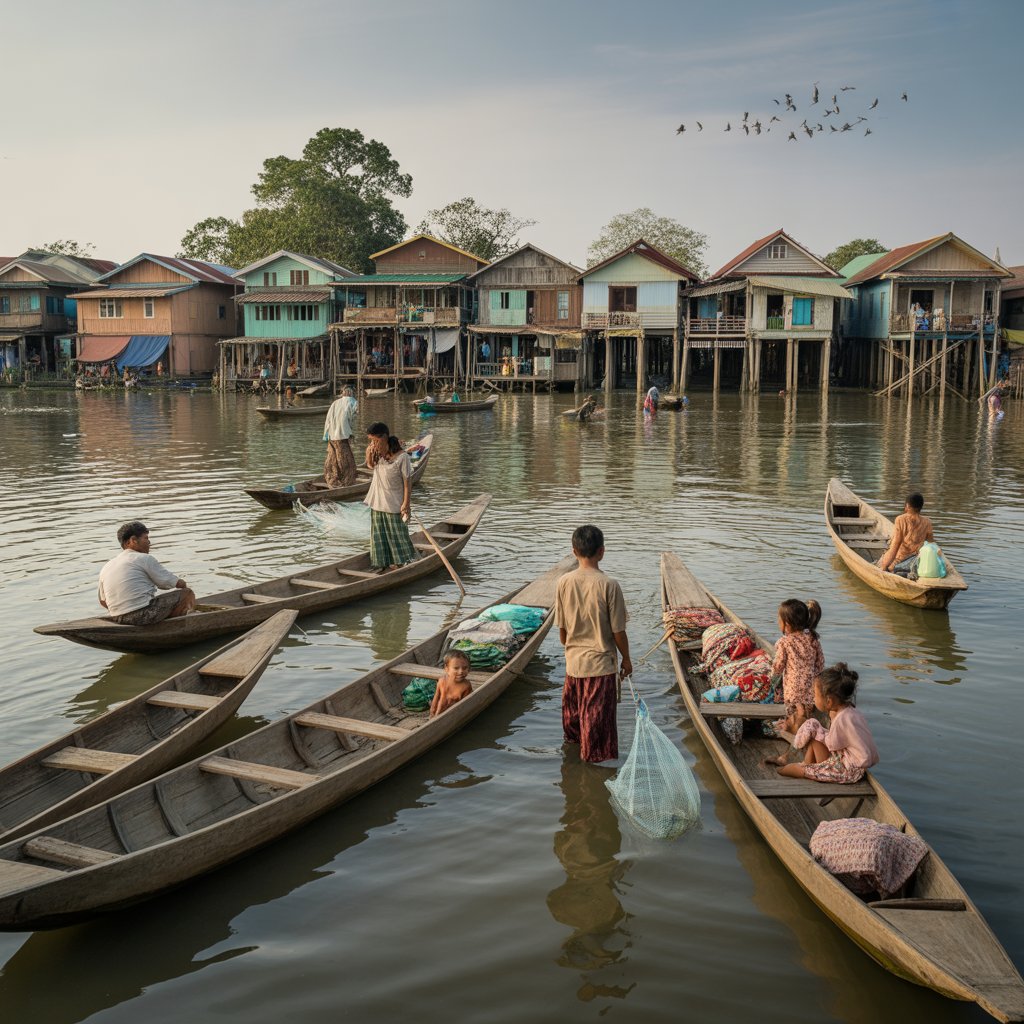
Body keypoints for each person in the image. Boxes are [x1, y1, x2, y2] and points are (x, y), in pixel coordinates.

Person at [555, 524, 632, 763]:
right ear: (602, 551)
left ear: (574, 551)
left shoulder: (563, 582)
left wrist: (573, 648)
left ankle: (573, 777)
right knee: (597, 735)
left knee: (575, 727)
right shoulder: (609, 585)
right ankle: (594, 783)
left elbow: (563, 632)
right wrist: (627, 660)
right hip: (599, 667)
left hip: (574, 665)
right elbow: (618, 631)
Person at [768, 663, 879, 784]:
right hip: (853, 764)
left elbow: (832, 745)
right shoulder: (852, 711)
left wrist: (820, 729)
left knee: (799, 768)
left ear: (829, 701)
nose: (813, 698)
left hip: (848, 770)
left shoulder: (841, 719)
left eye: (815, 695)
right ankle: (807, 764)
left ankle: (778, 772)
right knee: (815, 735)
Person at [97, 521, 195, 625]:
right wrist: (183, 584)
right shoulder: (144, 558)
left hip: (117, 619)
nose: (149, 542)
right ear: (133, 540)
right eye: (146, 538)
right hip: (142, 616)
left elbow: (103, 602)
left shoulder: (107, 566)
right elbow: (171, 583)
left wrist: (123, 610)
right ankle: (176, 625)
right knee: (186, 593)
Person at [364, 421, 416, 571]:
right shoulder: (377, 454)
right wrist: (369, 454)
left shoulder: (402, 457)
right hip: (378, 503)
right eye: (371, 440)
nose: (373, 443)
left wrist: (406, 504)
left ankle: (404, 563)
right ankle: (383, 565)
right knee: (380, 538)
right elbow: (371, 465)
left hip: (395, 504)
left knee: (398, 537)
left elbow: (407, 482)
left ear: (384, 437)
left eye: (375, 440)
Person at [771, 598, 824, 735]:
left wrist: (772, 676)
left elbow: (778, 666)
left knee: (794, 709)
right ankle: (803, 724)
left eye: (779, 620)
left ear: (787, 624)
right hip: (811, 689)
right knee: (804, 710)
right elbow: (820, 664)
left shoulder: (784, 642)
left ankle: (795, 731)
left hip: (792, 689)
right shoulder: (812, 638)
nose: (778, 622)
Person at [878, 492, 934, 577]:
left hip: (900, 561)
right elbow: (931, 545)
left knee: (880, 563)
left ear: (907, 506)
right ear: (921, 507)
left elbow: (895, 545)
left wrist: (884, 566)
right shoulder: (928, 522)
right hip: (917, 561)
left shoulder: (900, 519)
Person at [322, 385, 358, 487]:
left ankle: (332, 480)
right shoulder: (353, 402)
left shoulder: (335, 403)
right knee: (346, 461)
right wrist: (352, 433)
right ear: (351, 393)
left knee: (332, 460)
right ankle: (346, 483)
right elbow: (354, 418)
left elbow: (328, 420)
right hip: (342, 435)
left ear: (343, 393)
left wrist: (326, 435)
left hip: (331, 435)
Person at [430, 650, 473, 717]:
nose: (461, 671)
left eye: (464, 668)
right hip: (440, 710)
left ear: (469, 669)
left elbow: (464, 705)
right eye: (456, 668)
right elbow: (436, 697)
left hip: (454, 714)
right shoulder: (442, 681)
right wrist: (432, 712)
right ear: (446, 669)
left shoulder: (466, 686)